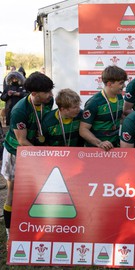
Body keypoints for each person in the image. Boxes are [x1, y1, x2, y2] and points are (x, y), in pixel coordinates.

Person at [1, 72, 54, 239]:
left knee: (38, 189)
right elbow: (22, 141)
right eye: (46, 92)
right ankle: (10, 232)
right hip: (16, 152)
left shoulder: (48, 101)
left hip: (36, 151)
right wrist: (41, 156)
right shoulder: (19, 110)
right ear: (34, 94)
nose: (50, 95)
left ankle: (36, 226)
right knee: (13, 191)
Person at [80, 65, 127, 151]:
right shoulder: (94, 103)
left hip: (114, 147)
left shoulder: (119, 97)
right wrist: (99, 143)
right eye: (121, 83)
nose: (124, 85)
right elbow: (83, 130)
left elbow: (119, 117)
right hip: (97, 149)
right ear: (109, 84)